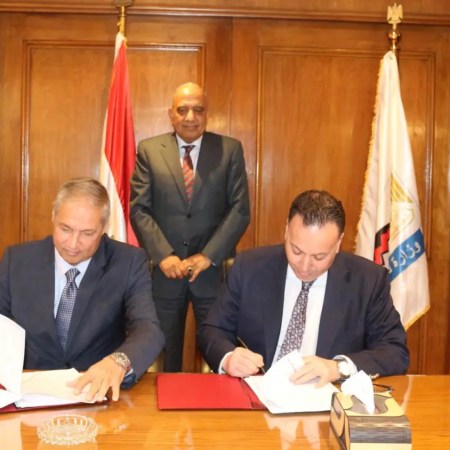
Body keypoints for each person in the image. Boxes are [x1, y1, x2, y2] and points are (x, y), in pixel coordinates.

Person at [198, 190, 409, 385]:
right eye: (296, 251)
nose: (305, 266)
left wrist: (338, 367)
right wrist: (228, 358)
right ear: (286, 231)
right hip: (258, 393)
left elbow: (394, 350)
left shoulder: (367, 281)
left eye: (319, 257)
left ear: (338, 243)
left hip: (327, 399)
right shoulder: (249, 268)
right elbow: (212, 329)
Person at [0, 178, 165, 401]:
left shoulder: (128, 262)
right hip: (28, 393)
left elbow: (149, 330)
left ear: (103, 229)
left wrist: (118, 361)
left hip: (97, 393)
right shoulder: (17, 260)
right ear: (53, 217)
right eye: (65, 229)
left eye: (87, 233)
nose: (73, 244)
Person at [130, 82, 250, 372]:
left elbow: (240, 209)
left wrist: (208, 255)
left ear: (207, 113)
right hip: (165, 274)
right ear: (171, 114)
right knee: (162, 354)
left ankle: (215, 402)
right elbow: (139, 208)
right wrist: (164, 255)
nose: (190, 117)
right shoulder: (149, 150)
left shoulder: (229, 150)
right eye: (182, 110)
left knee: (218, 350)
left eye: (198, 110)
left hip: (212, 272)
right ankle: (164, 403)